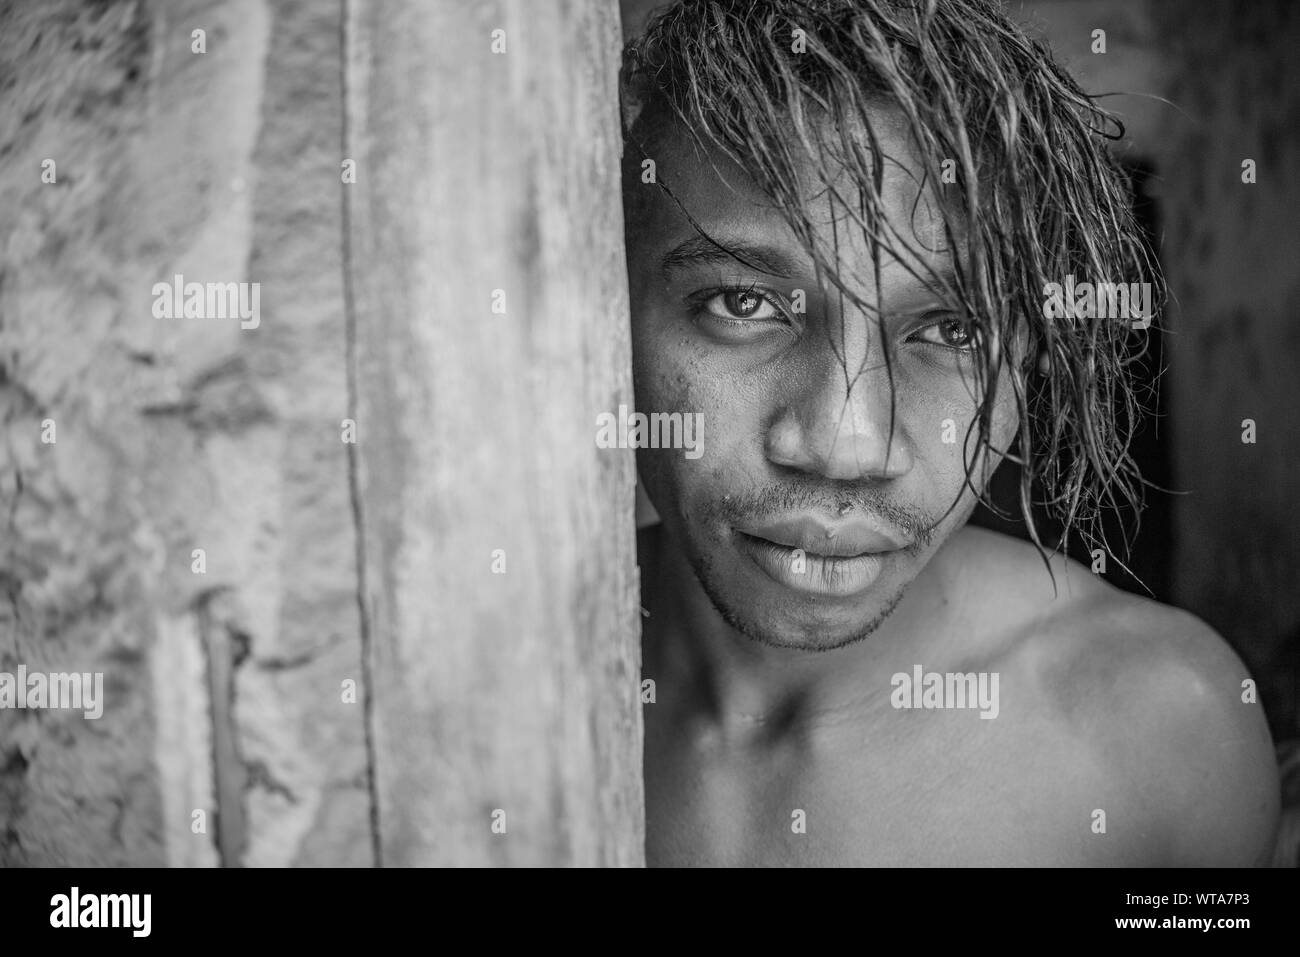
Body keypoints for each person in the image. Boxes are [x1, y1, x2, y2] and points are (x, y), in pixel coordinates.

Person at [620, 0, 1279, 865]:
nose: (845, 445)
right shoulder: (481, 678)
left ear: (1033, 354)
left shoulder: (1162, 732)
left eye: (952, 330)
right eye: (743, 302)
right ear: (610, 308)